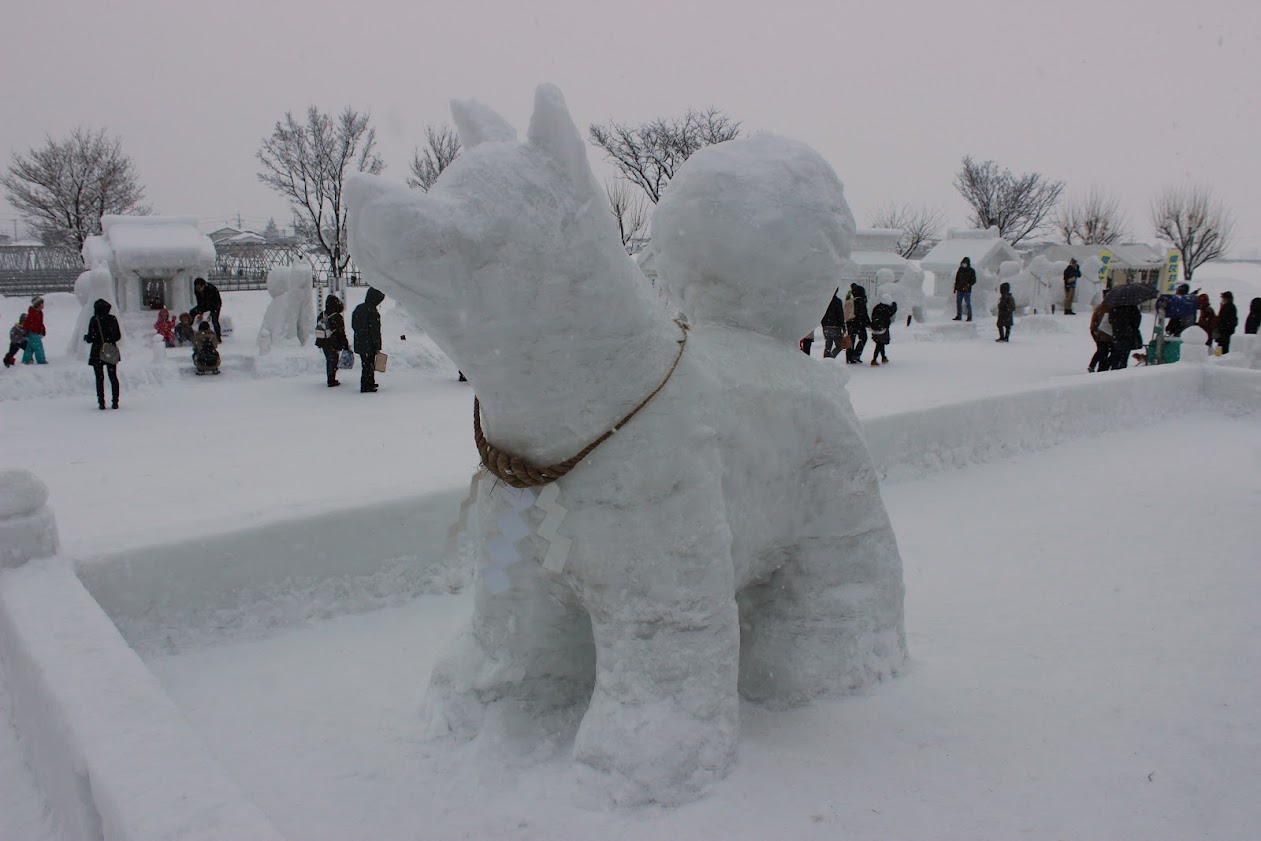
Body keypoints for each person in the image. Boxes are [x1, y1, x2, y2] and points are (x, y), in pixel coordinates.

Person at [83, 298, 122, 409]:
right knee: (113, 376)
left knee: (99, 378)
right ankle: (115, 401)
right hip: (110, 349)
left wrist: (89, 338)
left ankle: (101, 402)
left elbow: (91, 338)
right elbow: (118, 336)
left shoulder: (94, 320)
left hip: (97, 351)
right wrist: (109, 339)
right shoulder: (112, 319)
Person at [352, 287, 385, 393]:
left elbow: (354, 325)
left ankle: (369, 382)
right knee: (368, 364)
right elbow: (375, 331)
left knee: (366, 363)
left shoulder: (359, 308)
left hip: (359, 341)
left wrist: (360, 335)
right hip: (369, 343)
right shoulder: (373, 312)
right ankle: (366, 385)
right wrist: (377, 346)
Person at [316, 294, 351, 387]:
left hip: (323, 341)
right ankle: (331, 379)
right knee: (333, 360)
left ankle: (330, 377)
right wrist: (345, 344)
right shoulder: (337, 317)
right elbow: (341, 332)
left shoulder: (322, 315)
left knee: (329, 359)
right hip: (333, 342)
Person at [1107, 303, 1142, 370]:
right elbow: (1137, 321)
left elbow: (1110, 320)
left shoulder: (1115, 308)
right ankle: (1122, 369)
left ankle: (1114, 369)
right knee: (1124, 355)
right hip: (1128, 334)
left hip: (1117, 334)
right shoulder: (1132, 307)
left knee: (1116, 354)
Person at [868, 293, 897, 366]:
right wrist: (894, 305)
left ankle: (883, 357)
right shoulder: (886, 308)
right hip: (882, 329)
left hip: (875, 328)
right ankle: (874, 359)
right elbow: (892, 311)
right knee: (880, 344)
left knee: (880, 343)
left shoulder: (877, 307)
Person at [844, 282, 869, 363]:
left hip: (850, 323)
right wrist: (868, 323)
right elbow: (864, 314)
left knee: (851, 339)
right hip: (859, 323)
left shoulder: (851, 301)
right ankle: (856, 354)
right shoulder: (861, 301)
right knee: (863, 338)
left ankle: (849, 357)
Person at [1087, 301, 1114, 373]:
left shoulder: (1100, 308)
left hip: (1099, 334)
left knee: (1102, 351)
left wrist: (1094, 331)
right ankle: (1101, 368)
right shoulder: (1110, 308)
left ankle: (1094, 366)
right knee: (1105, 351)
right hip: (1106, 334)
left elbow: (1094, 321)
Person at [820, 287, 846, 358]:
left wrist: (823, 324)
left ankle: (826, 359)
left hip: (826, 326)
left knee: (828, 345)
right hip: (835, 326)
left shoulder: (824, 301)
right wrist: (843, 327)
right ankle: (831, 358)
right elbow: (840, 315)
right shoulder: (837, 301)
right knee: (839, 345)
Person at [21, 296, 47, 364]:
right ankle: (41, 360)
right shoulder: (32, 313)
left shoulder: (40, 313)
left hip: (36, 332)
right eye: (41, 304)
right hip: (31, 332)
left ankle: (26, 360)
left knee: (30, 347)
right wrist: (25, 330)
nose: (43, 305)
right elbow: (27, 322)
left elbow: (40, 323)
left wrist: (43, 329)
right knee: (38, 346)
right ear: (37, 305)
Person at [952, 257, 976, 321]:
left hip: (967, 290)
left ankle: (969, 316)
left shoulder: (971, 271)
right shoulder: (960, 270)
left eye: (965, 263)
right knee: (958, 303)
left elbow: (973, 280)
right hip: (959, 289)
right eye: (963, 263)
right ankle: (959, 316)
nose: (964, 264)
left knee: (968, 303)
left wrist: (968, 285)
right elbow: (957, 279)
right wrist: (955, 287)